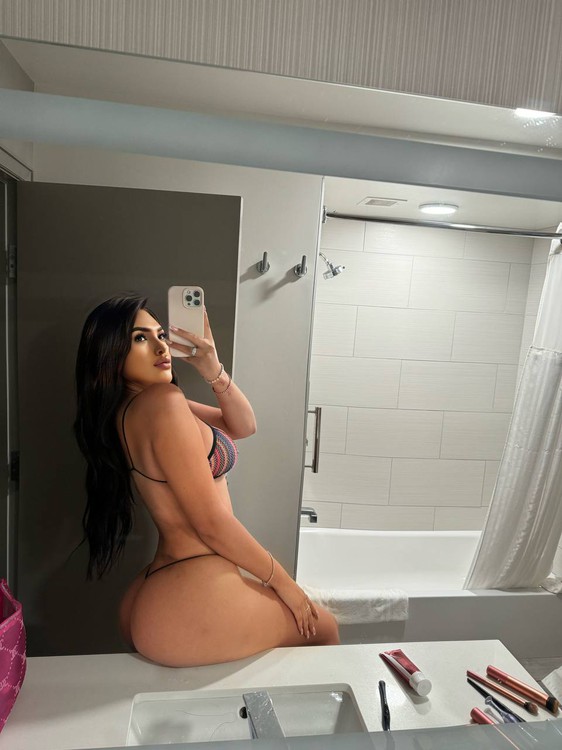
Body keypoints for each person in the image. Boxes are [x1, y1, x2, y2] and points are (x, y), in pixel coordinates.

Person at [74, 294, 339, 667]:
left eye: (161, 334)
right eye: (140, 338)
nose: (160, 346)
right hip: (192, 590)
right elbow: (210, 522)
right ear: (110, 353)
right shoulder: (163, 403)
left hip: (164, 588)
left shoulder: (135, 408)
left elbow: (243, 425)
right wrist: (285, 585)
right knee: (325, 629)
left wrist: (211, 366)